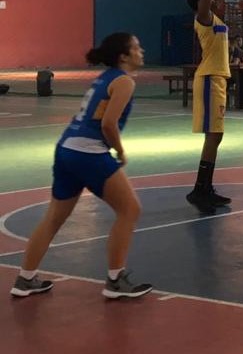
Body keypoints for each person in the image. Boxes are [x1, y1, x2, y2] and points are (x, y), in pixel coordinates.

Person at [10, 33, 152, 299]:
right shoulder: (123, 82)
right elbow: (108, 124)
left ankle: (25, 278)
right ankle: (115, 280)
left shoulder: (104, 78)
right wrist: (120, 151)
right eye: (136, 47)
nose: (141, 50)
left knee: (53, 218)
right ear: (124, 56)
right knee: (130, 209)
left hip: (66, 149)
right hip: (89, 153)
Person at [185, 0, 232, 215]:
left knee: (216, 136)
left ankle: (204, 187)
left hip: (218, 79)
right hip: (209, 78)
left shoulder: (218, 17)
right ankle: (201, 189)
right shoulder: (203, 18)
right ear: (202, 1)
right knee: (214, 135)